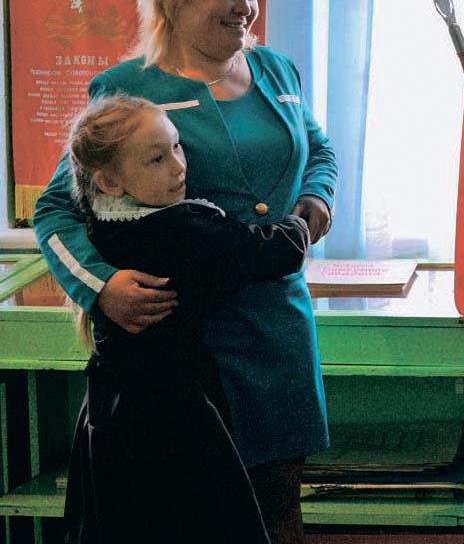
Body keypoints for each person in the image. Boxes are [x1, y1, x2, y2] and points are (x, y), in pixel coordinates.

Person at [34, 0, 338, 544]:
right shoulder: (125, 88)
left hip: (278, 325)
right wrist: (101, 286)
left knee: (280, 506)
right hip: (183, 340)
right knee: (190, 516)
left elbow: (321, 151)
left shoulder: (276, 70)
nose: (245, 6)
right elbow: (55, 210)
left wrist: (315, 200)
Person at [61, 94, 311, 544]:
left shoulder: (100, 225)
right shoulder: (184, 231)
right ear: (110, 180)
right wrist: (301, 222)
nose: (178, 166)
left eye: (177, 146)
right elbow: (271, 251)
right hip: (175, 408)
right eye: (157, 159)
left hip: (107, 405)